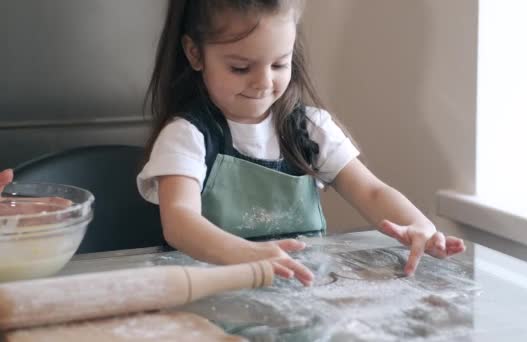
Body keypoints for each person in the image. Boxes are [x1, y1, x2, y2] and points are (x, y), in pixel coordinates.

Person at [137, 0, 465, 286]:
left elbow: (371, 191)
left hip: (298, 294)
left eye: (280, 64)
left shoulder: (309, 128)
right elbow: (180, 221)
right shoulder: (188, 136)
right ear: (195, 54)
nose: (264, 82)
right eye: (240, 68)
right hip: (210, 296)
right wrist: (247, 253)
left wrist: (419, 227)